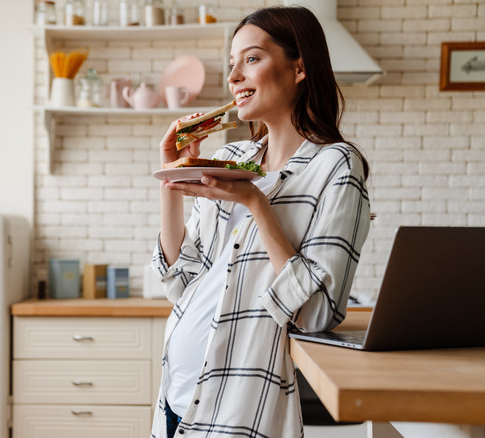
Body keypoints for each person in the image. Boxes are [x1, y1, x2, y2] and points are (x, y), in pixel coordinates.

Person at [149, 6, 371, 438]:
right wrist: (171, 177)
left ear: (299, 67)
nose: (233, 77)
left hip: (240, 407)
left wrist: (256, 202)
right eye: (232, 64)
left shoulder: (337, 167)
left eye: (251, 59)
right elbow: (180, 281)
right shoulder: (232, 160)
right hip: (175, 399)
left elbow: (317, 313)